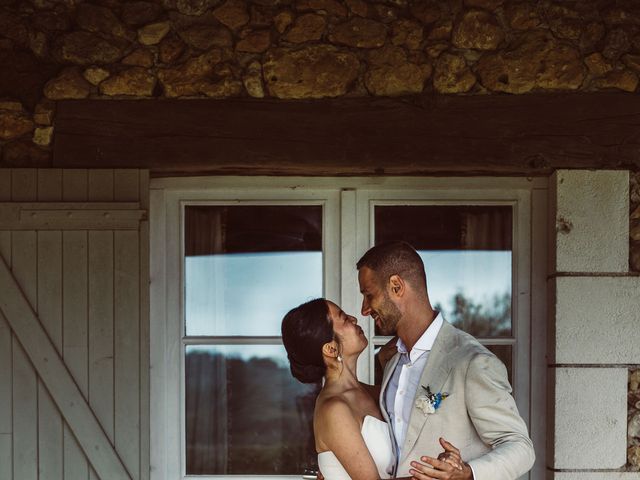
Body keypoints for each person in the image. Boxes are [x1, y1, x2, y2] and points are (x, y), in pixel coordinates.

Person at [357, 241, 535, 480]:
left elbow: (520, 447)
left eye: (369, 295)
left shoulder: (472, 362)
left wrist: (468, 473)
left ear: (397, 286)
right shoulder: (390, 361)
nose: (364, 309)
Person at [282, 298, 463, 480]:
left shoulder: (375, 391)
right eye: (344, 318)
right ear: (331, 349)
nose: (354, 318)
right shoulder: (334, 409)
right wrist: (438, 476)